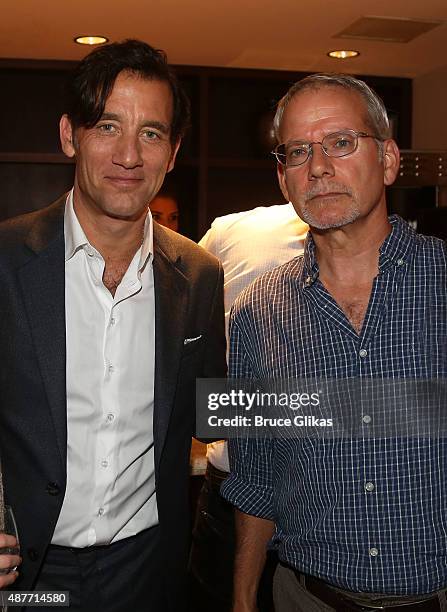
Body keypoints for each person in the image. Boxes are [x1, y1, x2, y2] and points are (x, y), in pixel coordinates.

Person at [0, 39, 226, 611]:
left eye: (151, 133)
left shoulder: (199, 276)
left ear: (173, 152)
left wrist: (348, 400)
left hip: (146, 570)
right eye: (107, 126)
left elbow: (213, 410)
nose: (129, 155)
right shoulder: (4, 259)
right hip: (28, 574)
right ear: (68, 135)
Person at [221, 73, 447, 612]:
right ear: (283, 180)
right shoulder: (255, 314)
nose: (318, 166)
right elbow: (255, 477)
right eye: (298, 152)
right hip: (305, 598)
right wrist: (243, 598)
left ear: (389, 160)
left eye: (342, 143)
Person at [189, 203, 308, 612]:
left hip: (336, 494)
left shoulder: (412, 266)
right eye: (297, 152)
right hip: (233, 483)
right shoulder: (235, 232)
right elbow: (169, 311)